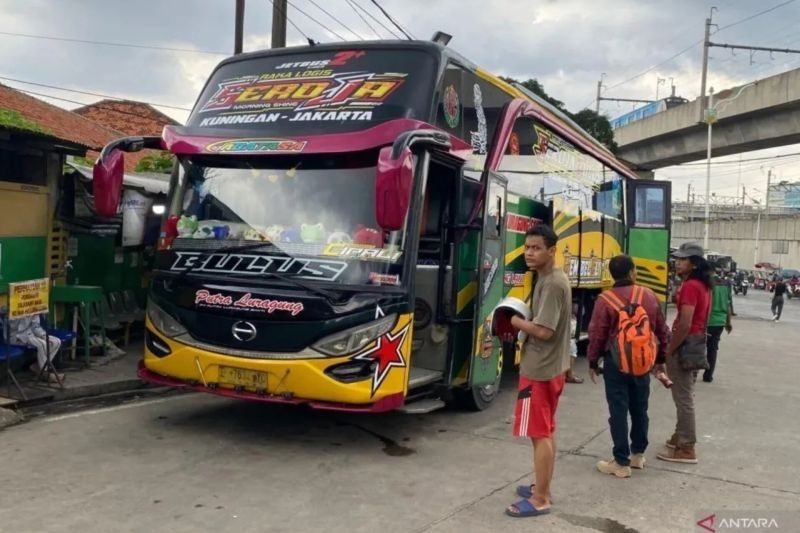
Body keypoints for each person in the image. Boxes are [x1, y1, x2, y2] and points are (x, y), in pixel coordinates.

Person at [505, 225, 571, 518]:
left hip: (541, 369)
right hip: (549, 366)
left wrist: (515, 322)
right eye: (527, 247)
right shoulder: (546, 278)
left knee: (538, 433)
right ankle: (541, 486)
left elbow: (544, 331)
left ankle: (541, 498)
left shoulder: (553, 283)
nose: (529, 253)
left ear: (552, 251)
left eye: (536, 248)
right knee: (546, 430)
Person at [587, 255, 670, 478]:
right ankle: (638, 455)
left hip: (616, 363)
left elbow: (597, 334)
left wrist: (593, 362)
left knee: (618, 410)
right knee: (640, 408)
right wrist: (660, 360)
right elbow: (662, 331)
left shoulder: (605, 300)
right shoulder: (650, 296)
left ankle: (621, 462)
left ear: (612, 275)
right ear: (633, 272)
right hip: (643, 361)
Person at [657, 242, 711, 464]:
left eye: (683, 259)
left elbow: (685, 323)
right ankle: (679, 436)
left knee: (683, 396)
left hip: (685, 344)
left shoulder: (690, 287)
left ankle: (687, 447)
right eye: (677, 258)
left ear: (694, 263)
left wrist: (670, 349)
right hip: (697, 343)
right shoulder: (704, 285)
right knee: (686, 393)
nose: (677, 261)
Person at [8, 314, 65, 382]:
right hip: (15, 336)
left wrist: (43, 336)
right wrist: (20, 313)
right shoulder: (8, 307)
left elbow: (35, 326)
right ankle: (45, 373)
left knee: (56, 342)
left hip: (30, 334)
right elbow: (13, 326)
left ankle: (37, 366)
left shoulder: (32, 308)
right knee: (42, 344)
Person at [704, 265, 733, 383]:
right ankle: (708, 376)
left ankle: (693, 372)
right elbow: (728, 305)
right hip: (720, 322)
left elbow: (708, 304)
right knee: (713, 349)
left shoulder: (709, 284)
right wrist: (728, 322)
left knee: (699, 346)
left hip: (708, 321)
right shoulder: (726, 284)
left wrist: (704, 322)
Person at [565, 307, 583, 384]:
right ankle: (570, 375)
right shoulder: (570, 317)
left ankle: (569, 373)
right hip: (570, 338)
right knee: (572, 354)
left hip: (568, 337)